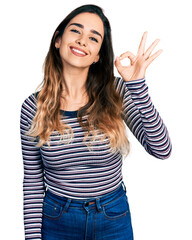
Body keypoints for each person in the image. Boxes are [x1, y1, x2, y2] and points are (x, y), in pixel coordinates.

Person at [20, 4, 172, 240]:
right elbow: (32, 180)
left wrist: (137, 86)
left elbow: (161, 149)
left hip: (112, 216)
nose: (82, 40)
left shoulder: (116, 91)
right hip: (58, 219)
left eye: (93, 37)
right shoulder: (32, 108)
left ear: (98, 55)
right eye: (76, 31)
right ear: (58, 40)